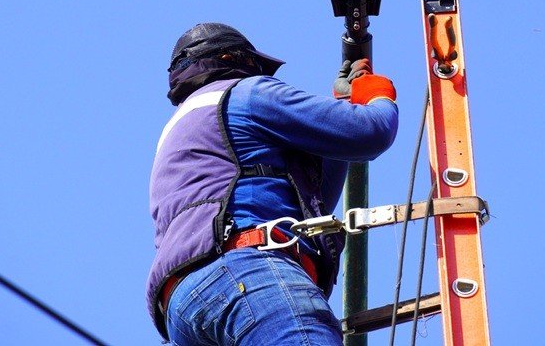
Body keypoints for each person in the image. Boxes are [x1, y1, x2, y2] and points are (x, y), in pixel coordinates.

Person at [147, 22, 398, 345]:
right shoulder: (247, 93)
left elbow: (312, 204)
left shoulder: (179, 130)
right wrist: (376, 95)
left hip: (182, 309)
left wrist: (342, 106)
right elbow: (370, 132)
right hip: (246, 271)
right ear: (232, 58)